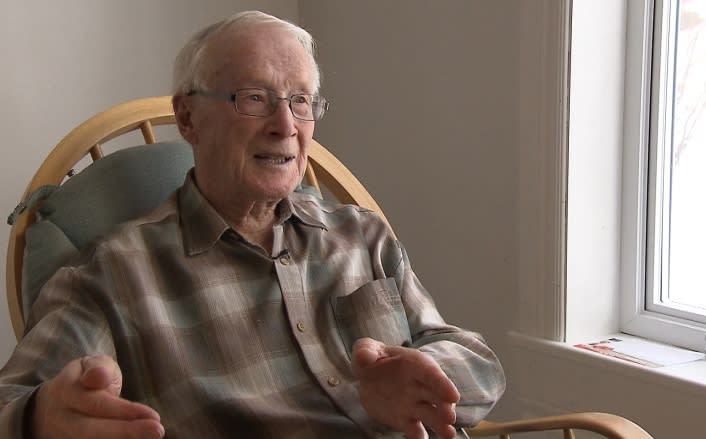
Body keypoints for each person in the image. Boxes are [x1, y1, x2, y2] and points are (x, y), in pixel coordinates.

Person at [0, 10, 505, 439]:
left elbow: (477, 362)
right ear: (189, 118)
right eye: (254, 98)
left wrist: (425, 378)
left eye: (301, 100)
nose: (285, 126)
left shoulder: (362, 234)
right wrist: (40, 417)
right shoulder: (113, 274)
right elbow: (11, 401)